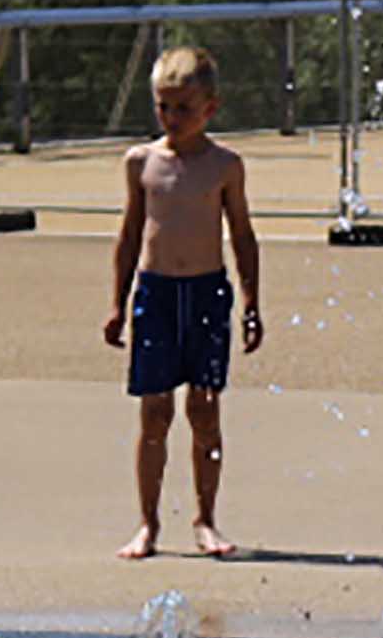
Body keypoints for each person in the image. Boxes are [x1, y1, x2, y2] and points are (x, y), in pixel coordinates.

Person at [103, 46, 263, 559]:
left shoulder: (224, 166)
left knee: (204, 409)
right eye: (163, 107)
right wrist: (117, 302)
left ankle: (205, 519)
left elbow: (241, 234)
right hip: (156, 292)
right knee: (154, 414)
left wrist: (252, 301)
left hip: (206, 292)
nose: (172, 119)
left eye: (184, 109)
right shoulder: (142, 162)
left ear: (210, 109)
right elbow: (130, 235)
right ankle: (147, 522)